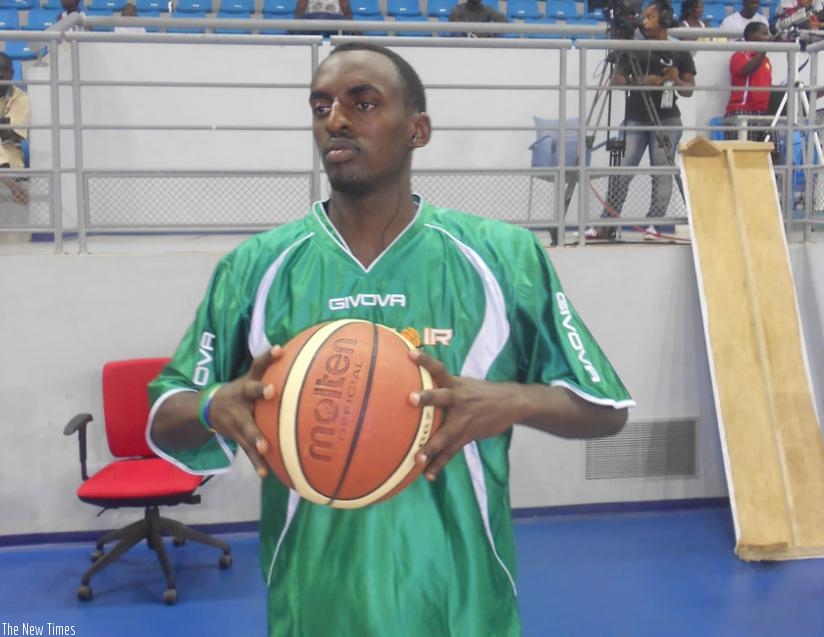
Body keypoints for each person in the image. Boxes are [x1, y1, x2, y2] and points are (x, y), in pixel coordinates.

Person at [147, 42, 633, 636]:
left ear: (417, 130)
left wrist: (514, 401)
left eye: (363, 103)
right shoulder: (256, 267)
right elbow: (166, 415)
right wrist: (210, 404)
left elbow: (605, 409)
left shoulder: (502, 257)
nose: (336, 120)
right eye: (321, 107)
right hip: (314, 608)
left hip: (462, 608)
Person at [588, 0, 696, 241]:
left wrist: (675, 80)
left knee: (662, 173)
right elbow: (617, 80)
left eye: (650, 16)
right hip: (635, 119)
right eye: (643, 16)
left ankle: (656, 225)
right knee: (622, 171)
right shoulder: (633, 45)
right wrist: (641, 82)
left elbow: (689, 89)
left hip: (667, 120)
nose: (643, 21)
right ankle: (607, 223)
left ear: (665, 20)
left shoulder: (679, 49)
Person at [725, 21, 773, 140]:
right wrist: (764, 49)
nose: (768, 37)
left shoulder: (766, 60)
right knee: (745, 151)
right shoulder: (739, 55)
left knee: (773, 148)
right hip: (742, 111)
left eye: (768, 34)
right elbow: (748, 69)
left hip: (763, 113)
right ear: (751, 35)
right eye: (764, 34)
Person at [0, 52, 30, 207]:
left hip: (10, 153)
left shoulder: (20, 98)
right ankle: (14, 188)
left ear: (11, 73)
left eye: (3, 69)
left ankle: (11, 184)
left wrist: (4, 128)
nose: (0, 74)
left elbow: (11, 134)